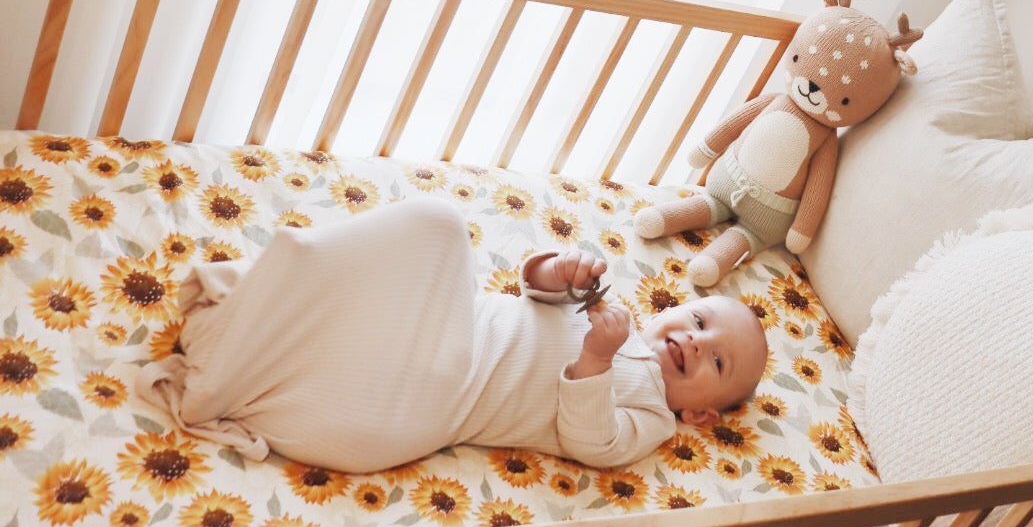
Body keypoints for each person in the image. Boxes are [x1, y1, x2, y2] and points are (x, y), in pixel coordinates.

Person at [136, 196, 769, 473]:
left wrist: (596, 359)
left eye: (718, 361)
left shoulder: (652, 418)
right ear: (673, 310)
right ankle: (243, 334)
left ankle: (225, 377)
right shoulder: (613, 311)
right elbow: (535, 291)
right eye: (701, 319)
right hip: (435, 332)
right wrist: (561, 268)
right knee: (435, 228)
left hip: (429, 404)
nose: (699, 341)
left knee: (435, 230)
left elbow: (590, 441)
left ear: (704, 417)